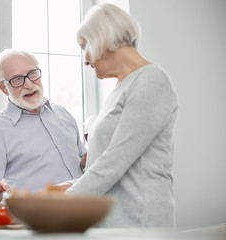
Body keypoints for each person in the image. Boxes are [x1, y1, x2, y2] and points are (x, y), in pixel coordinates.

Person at [57, 4, 179, 228]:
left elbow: (114, 163)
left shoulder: (152, 81)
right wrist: (62, 188)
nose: (85, 59)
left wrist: (54, 206)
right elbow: (101, 162)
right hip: (109, 224)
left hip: (139, 225)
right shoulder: (119, 90)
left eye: (84, 46)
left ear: (102, 37)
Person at [0, 49, 86, 201]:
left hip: (87, 215)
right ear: (3, 88)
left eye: (32, 74)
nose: (28, 84)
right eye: (17, 79)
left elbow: (83, 163)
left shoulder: (63, 114)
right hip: (38, 221)